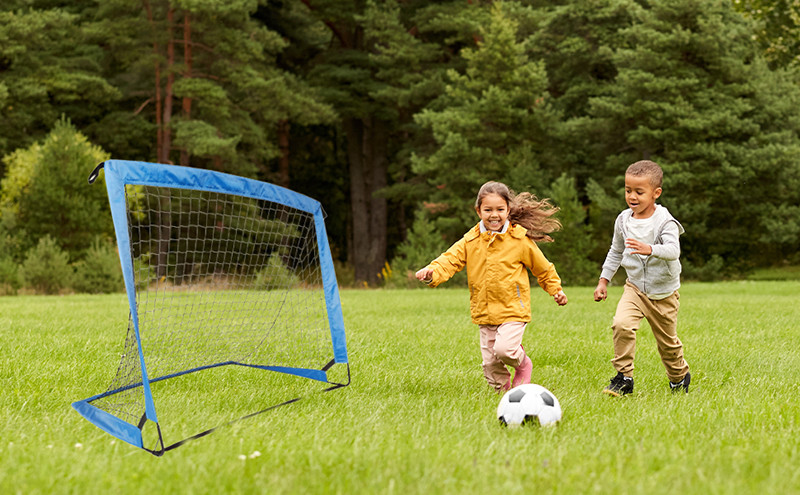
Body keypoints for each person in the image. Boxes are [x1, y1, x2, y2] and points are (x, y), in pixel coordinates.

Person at [415, 181, 568, 393]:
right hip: (484, 311)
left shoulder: (519, 240)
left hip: (513, 309)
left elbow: (543, 268)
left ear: (508, 210)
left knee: (505, 350)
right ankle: (505, 395)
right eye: (488, 210)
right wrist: (432, 272)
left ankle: (523, 365)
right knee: (490, 364)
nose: (494, 215)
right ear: (478, 210)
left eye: (499, 209)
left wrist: (556, 290)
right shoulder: (471, 240)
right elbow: (450, 260)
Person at [593, 160, 691, 396]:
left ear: (656, 193)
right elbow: (616, 251)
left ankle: (679, 376)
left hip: (663, 293)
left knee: (668, 345)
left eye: (639, 192)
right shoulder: (623, 220)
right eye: (628, 190)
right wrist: (603, 280)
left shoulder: (664, 221)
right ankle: (623, 377)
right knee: (621, 324)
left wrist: (650, 248)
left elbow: (673, 250)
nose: (632, 196)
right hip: (634, 288)